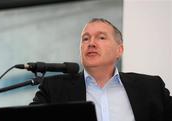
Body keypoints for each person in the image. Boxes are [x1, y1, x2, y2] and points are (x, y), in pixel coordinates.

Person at [30, 18, 172, 121]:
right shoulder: (54, 90)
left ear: (119, 50)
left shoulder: (151, 88)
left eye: (101, 37)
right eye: (85, 39)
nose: (91, 43)